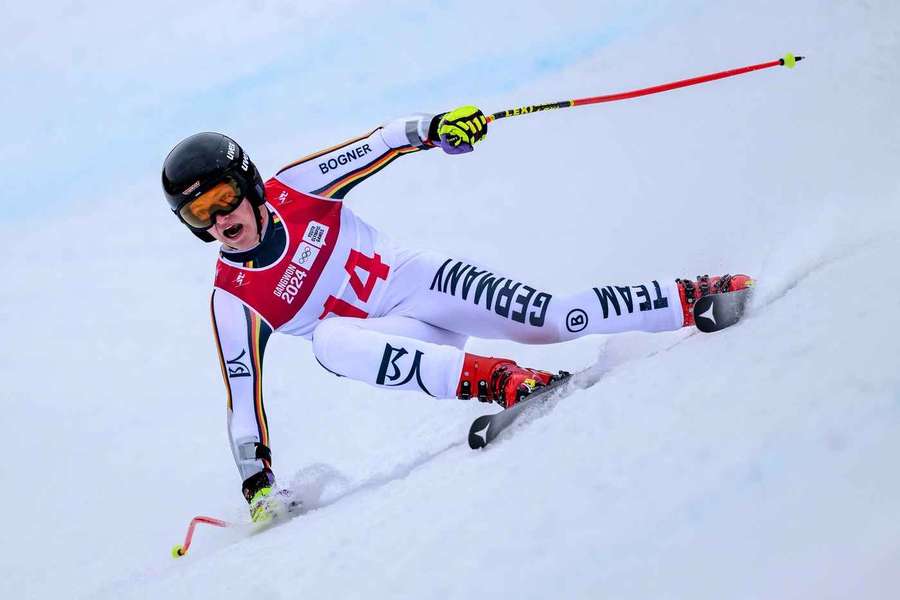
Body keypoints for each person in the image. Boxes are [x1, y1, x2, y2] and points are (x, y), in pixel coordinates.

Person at [161, 106, 752, 522]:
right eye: (199, 217)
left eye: (223, 199)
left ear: (249, 186)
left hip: (422, 283)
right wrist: (256, 485)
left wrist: (436, 130)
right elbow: (243, 400)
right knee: (330, 342)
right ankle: (502, 381)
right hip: (402, 338)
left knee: (551, 319)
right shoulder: (232, 297)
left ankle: (698, 294)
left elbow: (379, 143)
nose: (219, 222)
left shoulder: (296, 189)